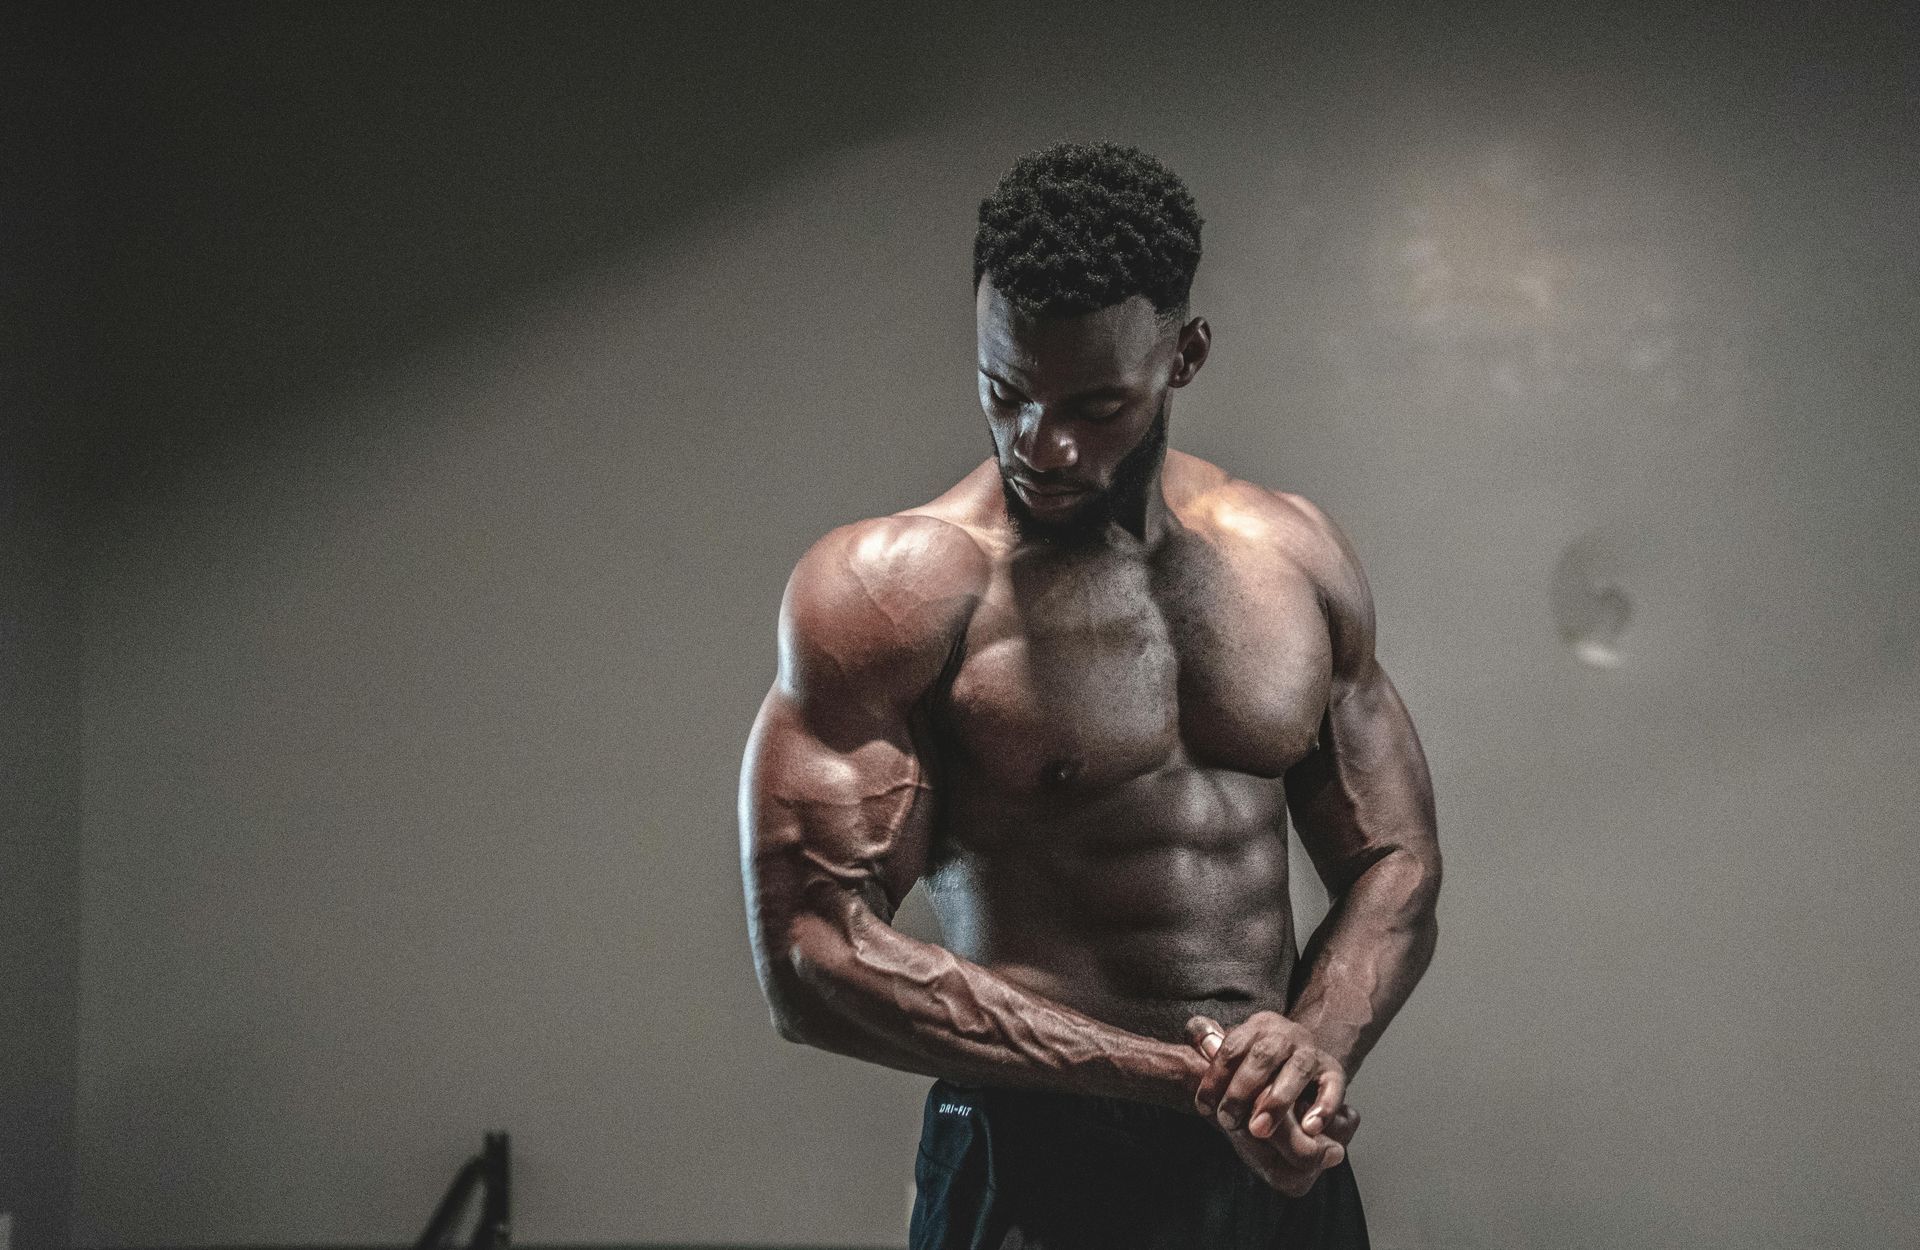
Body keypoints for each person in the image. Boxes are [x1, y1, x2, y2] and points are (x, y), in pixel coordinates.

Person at [738, 141, 1441, 1248]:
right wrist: (1185, 1078)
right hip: (1034, 1168)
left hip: (1269, 1163)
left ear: (1186, 355)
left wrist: (1315, 1045)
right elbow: (811, 956)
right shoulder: (895, 592)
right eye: (1003, 391)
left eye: (1094, 402)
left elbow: (1394, 859)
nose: (1041, 442)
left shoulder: (1292, 555)